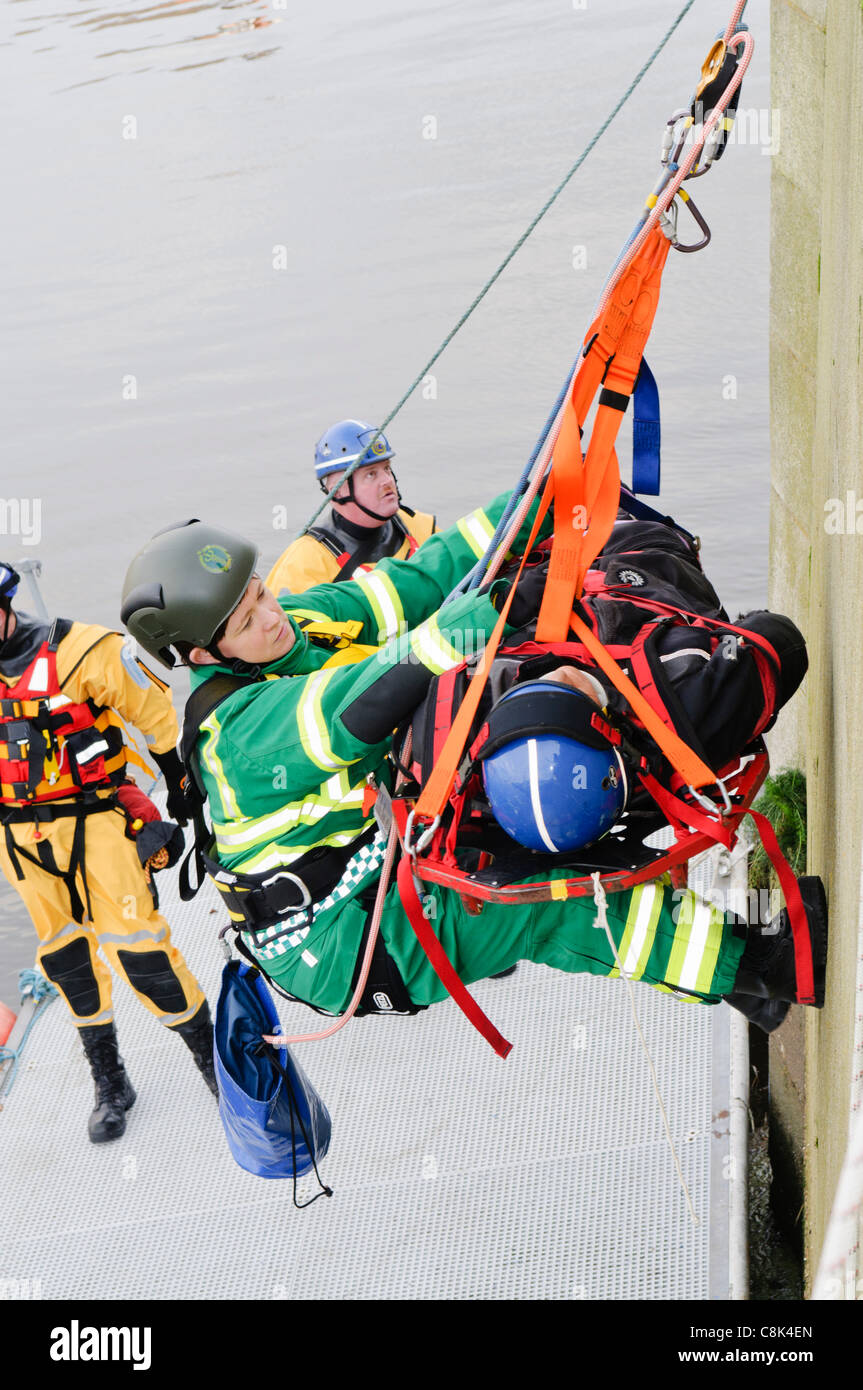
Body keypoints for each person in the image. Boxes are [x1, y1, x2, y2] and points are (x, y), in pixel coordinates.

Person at [120, 498, 826, 1044]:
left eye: (260, 593)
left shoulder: (291, 625)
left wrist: (531, 503)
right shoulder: (239, 739)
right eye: (245, 620)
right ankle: (766, 969)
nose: (271, 617)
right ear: (201, 655)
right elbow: (357, 702)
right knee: (548, 903)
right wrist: (483, 614)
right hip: (340, 937)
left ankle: (748, 986)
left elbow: (414, 583)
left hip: (372, 850)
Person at [0, 563, 218, 1144]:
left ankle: (215, 1065)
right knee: (66, 959)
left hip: (98, 823)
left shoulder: (87, 651)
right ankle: (110, 1080)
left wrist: (181, 791)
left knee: (141, 949)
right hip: (20, 842)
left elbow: (159, 722)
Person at [265, 419, 437, 595]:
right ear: (338, 491)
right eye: (371, 474)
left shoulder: (421, 527)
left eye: (386, 468)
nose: (387, 480)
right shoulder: (304, 564)